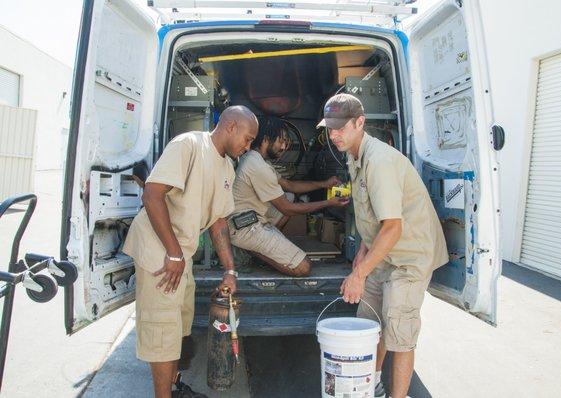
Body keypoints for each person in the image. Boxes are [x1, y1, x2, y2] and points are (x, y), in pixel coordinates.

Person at [123, 106, 258, 398]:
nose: (247, 147)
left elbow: (219, 221)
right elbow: (152, 194)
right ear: (231, 126)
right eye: (247, 139)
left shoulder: (226, 168)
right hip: (159, 252)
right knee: (162, 332)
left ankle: (173, 387)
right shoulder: (189, 145)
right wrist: (173, 253)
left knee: (177, 328)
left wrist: (230, 269)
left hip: (180, 255)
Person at [319, 94, 449, 398]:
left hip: (408, 257)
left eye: (341, 127)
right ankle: (371, 385)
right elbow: (371, 216)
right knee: (371, 324)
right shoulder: (353, 155)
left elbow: (393, 227)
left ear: (360, 123)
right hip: (383, 253)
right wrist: (363, 255)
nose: (334, 134)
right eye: (330, 128)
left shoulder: (379, 161)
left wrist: (359, 274)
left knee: (399, 332)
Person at [229, 116, 349, 277]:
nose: (284, 146)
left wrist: (324, 184)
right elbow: (288, 209)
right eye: (281, 141)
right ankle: (252, 250)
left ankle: (265, 245)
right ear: (266, 140)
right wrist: (329, 203)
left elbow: (290, 186)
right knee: (304, 267)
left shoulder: (257, 160)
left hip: (252, 217)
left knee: (290, 195)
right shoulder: (257, 167)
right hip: (244, 228)